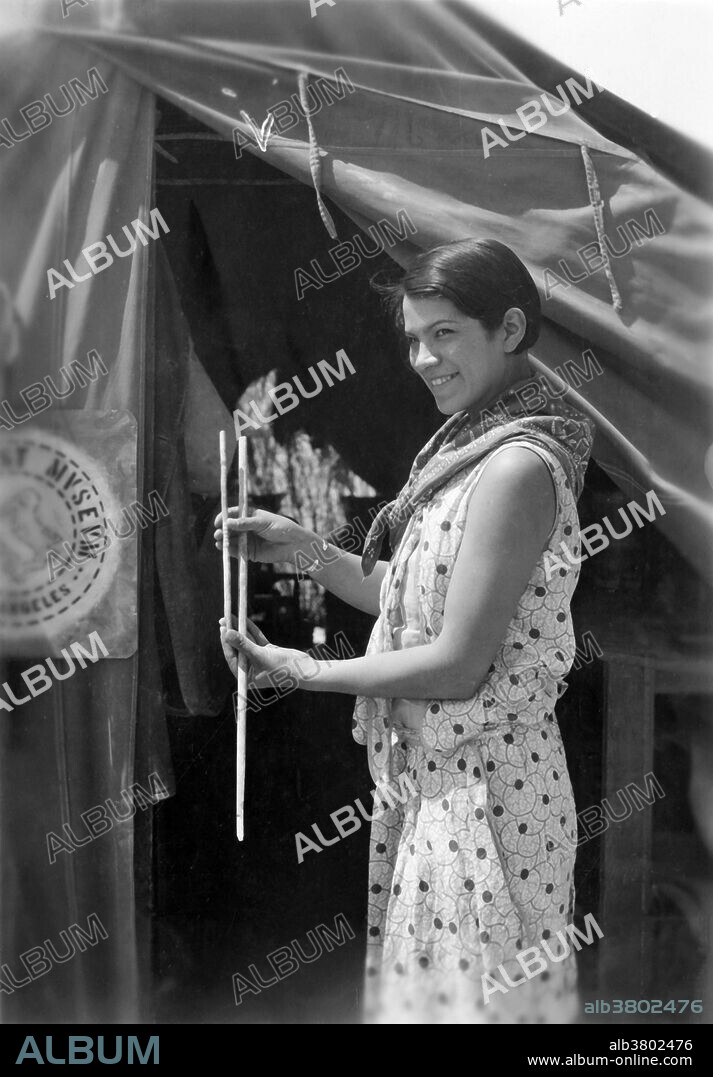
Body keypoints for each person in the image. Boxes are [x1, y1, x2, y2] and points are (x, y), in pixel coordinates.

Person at [216, 238, 594, 1024]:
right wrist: (305, 548)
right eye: (413, 339)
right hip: (435, 783)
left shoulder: (517, 465)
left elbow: (456, 662)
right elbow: (415, 600)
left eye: (445, 333)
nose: (422, 358)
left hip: (491, 792)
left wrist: (306, 672)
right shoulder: (465, 447)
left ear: (511, 328)